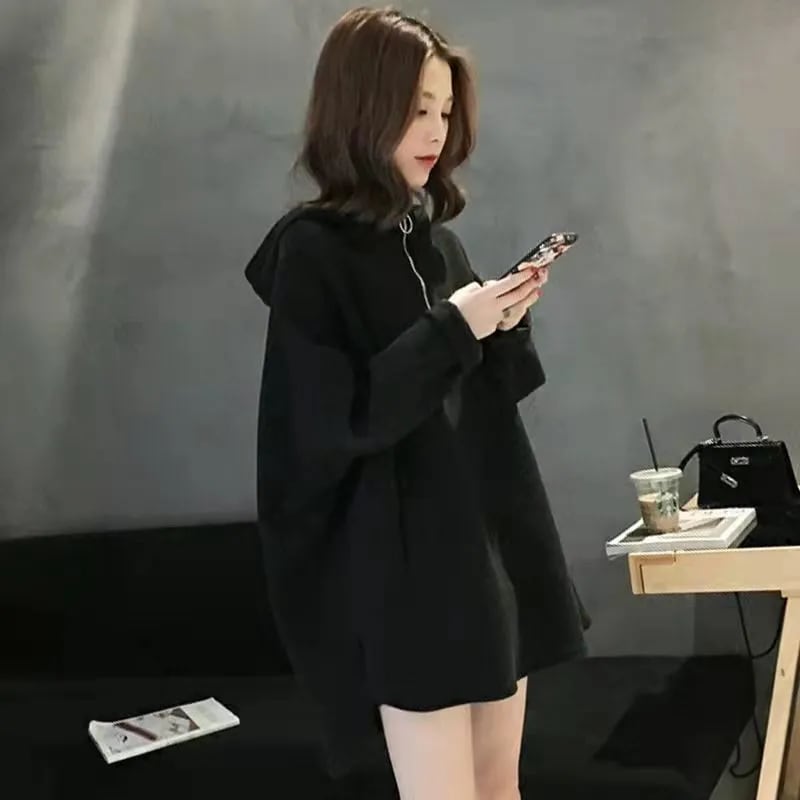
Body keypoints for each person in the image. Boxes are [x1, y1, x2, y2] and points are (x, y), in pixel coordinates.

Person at [244, 7, 586, 799]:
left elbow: (486, 398)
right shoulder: (312, 252)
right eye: (415, 109)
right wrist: (455, 328)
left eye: (443, 110)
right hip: (405, 574)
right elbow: (333, 423)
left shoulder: (438, 240)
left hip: (486, 549)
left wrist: (502, 322)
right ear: (360, 110)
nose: (435, 131)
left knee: (500, 789)